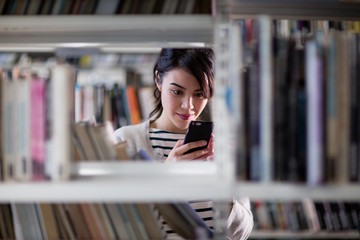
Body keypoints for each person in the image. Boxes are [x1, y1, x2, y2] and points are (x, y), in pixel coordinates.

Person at [114, 48, 253, 240]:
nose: (189, 105)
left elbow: (242, 233)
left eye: (199, 94)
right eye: (177, 91)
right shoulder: (125, 141)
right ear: (158, 81)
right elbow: (119, 225)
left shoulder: (224, 147)